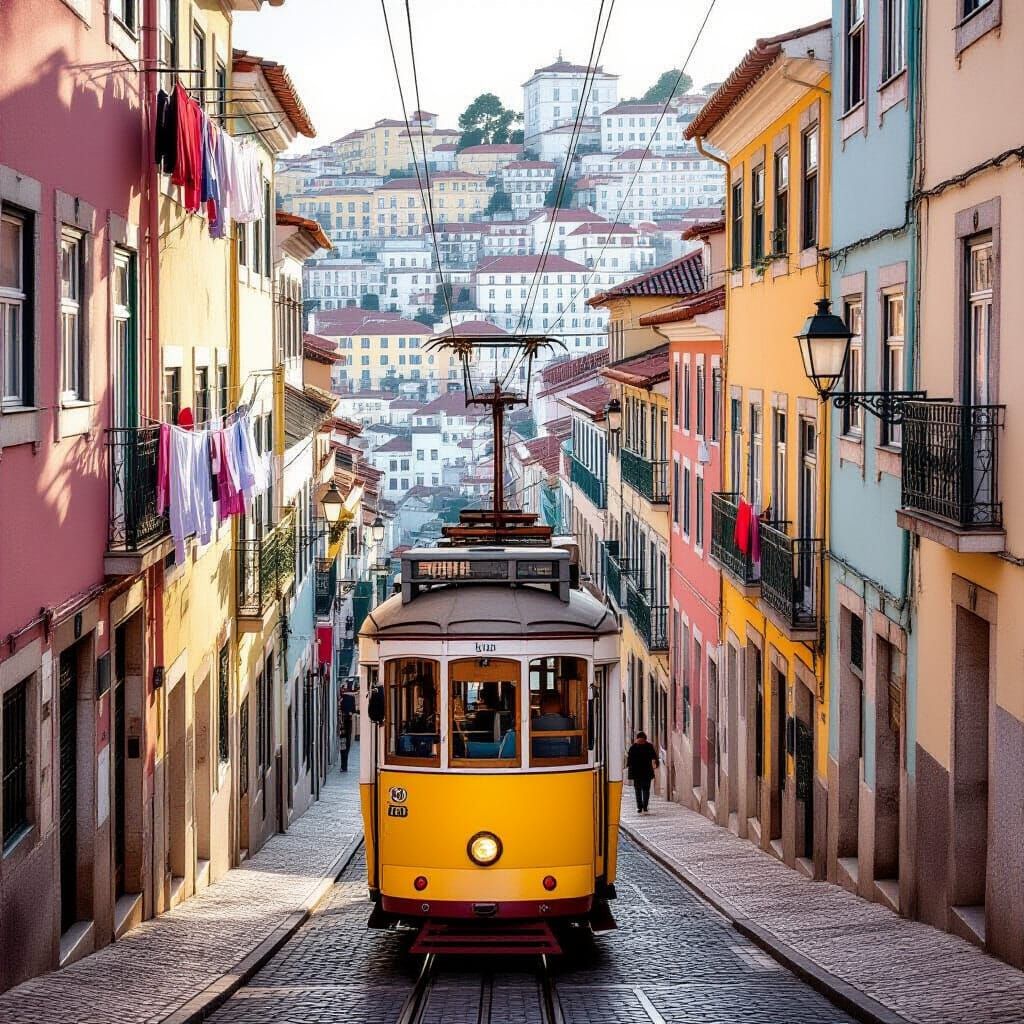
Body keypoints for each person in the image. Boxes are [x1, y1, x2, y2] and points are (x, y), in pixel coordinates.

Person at [532, 692, 575, 758]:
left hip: (537, 759)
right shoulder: (568, 722)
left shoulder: (534, 722)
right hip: (563, 759)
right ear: (559, 705)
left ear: (543, 705)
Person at [626, 731, 659, 813]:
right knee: (646, 790)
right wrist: (656, 764)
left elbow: (629, 761)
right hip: (647, 772)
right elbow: (654, 757)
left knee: (637, 790)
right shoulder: (649, 746)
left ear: (637, 738)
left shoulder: (633, 747)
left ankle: (639, 807)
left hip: (636, 773)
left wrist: (630, 768)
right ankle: (645, 806)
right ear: (645, 738)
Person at [339, 689, 355, 772]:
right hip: (347, 728)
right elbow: (353, 711)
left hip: (342, 730)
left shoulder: (342, 701)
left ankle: (343, 766)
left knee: (343, 748)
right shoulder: (350, 699)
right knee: (346, 747)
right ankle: (344, 766)